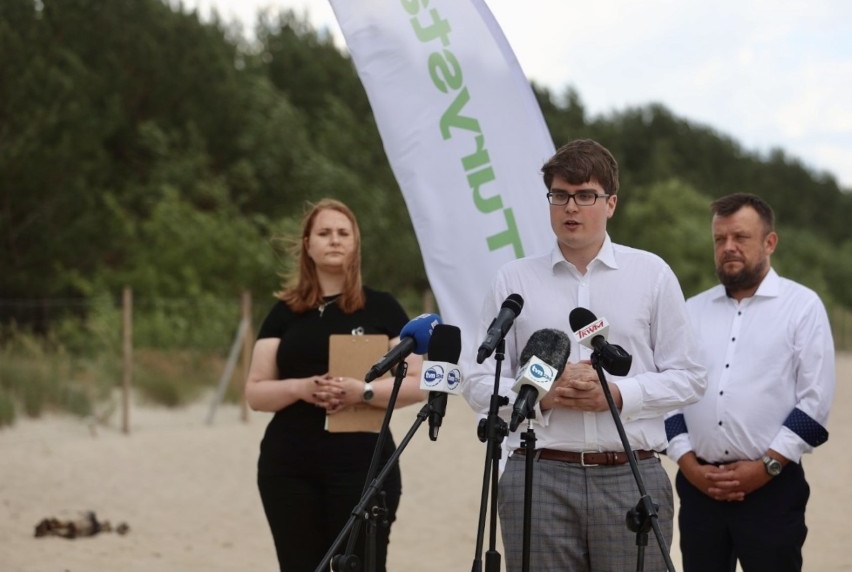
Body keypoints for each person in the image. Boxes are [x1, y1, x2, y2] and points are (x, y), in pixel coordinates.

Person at [463, 138, 706, 571]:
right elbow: (478, 380)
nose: (571, 207)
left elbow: (690, 377)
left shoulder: (651, 274)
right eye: (560, 195)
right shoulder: (514, 280)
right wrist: (541, 395)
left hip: (630, 471)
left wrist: (617, 395)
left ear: (611, 203)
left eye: (585, 195)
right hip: (538, 475)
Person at [244, 198, 425, 572]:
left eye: (343, 233)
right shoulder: (284, 312)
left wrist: (364, 392)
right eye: (324, 233)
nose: (334, 240)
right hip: (288, 469)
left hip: (363, 467)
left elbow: (419, 383)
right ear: (307, 245)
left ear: (356, 243)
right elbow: (256, 392)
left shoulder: (381, 307)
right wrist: (300, 388)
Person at [666, 192, 835, 572]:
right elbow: (671, 393)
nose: (728, 248)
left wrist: (767, 468)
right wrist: (688, 464)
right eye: (720, 239)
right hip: (698, 489)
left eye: (740, 237)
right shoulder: (690, 311)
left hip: (773, 489)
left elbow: (816, 401)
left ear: (769, 242)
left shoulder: (802, 307)